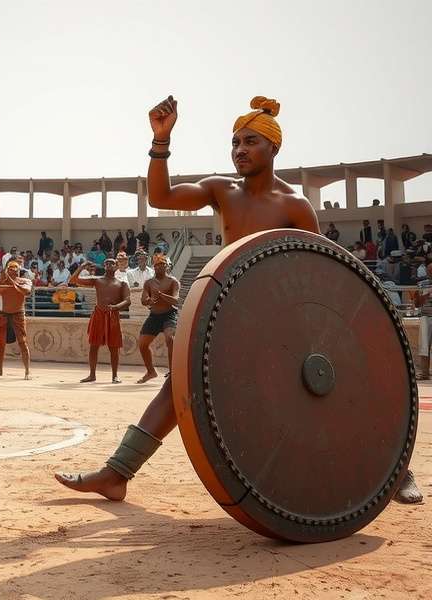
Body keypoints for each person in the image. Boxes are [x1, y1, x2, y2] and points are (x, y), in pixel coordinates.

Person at [55, 94, 325, 500]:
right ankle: (118, 473)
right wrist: (160, 141)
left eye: (251, 141)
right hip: (230, 310)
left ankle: (385, 467)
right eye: (235, 143)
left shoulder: (297, 206)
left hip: (279, 323)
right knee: (178, 384)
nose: (240, 150)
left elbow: (321, 275)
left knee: (302, 399)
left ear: (274, 147)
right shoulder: (222, 189)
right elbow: (160, 198)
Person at [69, 258, 130, 383]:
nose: (109, 265)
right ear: (104, 266)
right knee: (93, 345)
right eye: (106, 263)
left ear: (116, 266)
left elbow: (128, 300)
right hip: (98, 314)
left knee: (114, 346)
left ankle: (115, 376)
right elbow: (73, 280)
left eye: (112, 263)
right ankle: (92, 375)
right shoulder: (97, 280)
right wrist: (82, 266)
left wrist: (116, 307)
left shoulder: (122, 283)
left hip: (113, 315)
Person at [136, 254, 180, 384]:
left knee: (170, 338)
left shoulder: (173, 281)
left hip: (169, 314)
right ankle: (151, 372)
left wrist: (161, 295)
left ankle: (172, 371)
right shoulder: (149, 283)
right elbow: (143, 301)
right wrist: (149, 300)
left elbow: (176, 300)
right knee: (142, 344)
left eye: (162, 265)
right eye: (157, 265)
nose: (159, 267)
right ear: (153, 267)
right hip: (154, 315)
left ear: (167, 266)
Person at [0, 261, 32, 379]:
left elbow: (25, 291)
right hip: (5, 314)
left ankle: (27, 371)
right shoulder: (3, 283)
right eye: (10, 268)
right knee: (1, 344)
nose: (13, 270)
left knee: (22, 342)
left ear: (19, 270)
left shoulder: (25, 281)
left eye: (15, 268)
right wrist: (1, 279)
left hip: (18, 314)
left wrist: (9, 280)